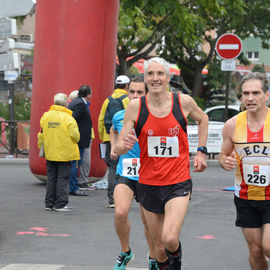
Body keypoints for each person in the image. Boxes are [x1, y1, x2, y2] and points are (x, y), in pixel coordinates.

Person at [115, 57, 208, 269]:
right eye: (151, 74)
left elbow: (203, 119)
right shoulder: (135, 107)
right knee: (158, 251)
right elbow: (118, 147)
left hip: (178, 182)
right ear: (146, 79)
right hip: (148, 183)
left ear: (167, 77)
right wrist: (124, 145)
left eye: (160, 74)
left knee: (170, 239)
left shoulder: (182, 102)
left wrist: (201, 151)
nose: (155, 78)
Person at [219, 72, 270, 270]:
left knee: (268, 247)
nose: (250, 98)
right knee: (256, 252)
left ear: (266, 95)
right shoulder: (232, 125)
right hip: (246, 198)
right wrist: (226, 162)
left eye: (256, 93)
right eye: (245, 93)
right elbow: (224, 155)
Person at [110, 76, 158, 270]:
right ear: (127, 92)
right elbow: (113, 130)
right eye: (132, 92)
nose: (135, 95)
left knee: (148, 223)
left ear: (146, 94)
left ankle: (153, 257)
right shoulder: (119, 116)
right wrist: (114, 148)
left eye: (140, 92)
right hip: (126, 171)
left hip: (149, 174)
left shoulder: (155, 116)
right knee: (120, 212)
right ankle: (125, 251)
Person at [38, 93, 80, 212]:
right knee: (63, 178)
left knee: (51, 177)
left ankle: (49, 203)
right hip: (64, 153)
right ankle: (61, 204)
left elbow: (41, 133)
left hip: (50, 151)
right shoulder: (68, 118)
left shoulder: (46, 116)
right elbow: (75, 136)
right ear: (66, 103)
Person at [98, 75, 130, 208]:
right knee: (125, 168)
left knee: (112, 168)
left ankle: (112, 199)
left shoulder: (107, 100)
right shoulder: (127, 100)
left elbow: (101, 120)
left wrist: (104, 137)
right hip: (125, 139)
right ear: (127, 86)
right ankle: (124, 197)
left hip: (108, 138)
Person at [68, 90, 96, 191]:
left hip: (82, 137)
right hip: (81, 138)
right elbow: (74, 121)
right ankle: (77, 184)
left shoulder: (77, 105)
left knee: (79, 162)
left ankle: (75, 183)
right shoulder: (81, 105)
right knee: (79, 162)